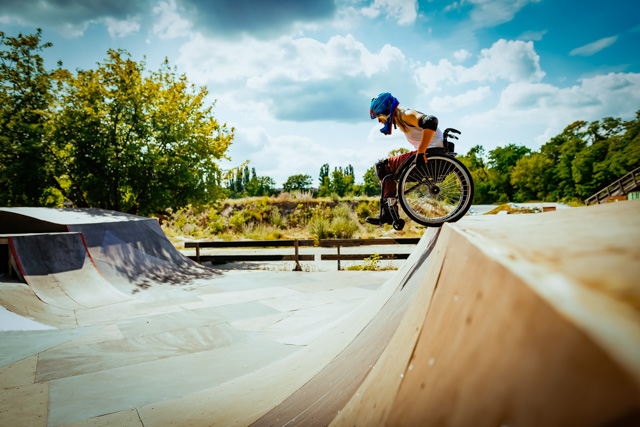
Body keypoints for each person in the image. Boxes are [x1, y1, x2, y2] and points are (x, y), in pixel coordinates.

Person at [365, 92, 444, 226]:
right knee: (388, 172)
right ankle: (389, 209)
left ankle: (388, 213)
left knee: (382, 165)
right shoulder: (402, 121)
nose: (379, 121)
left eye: (379, 116)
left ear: (386, 112)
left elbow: (431, 121)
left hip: (430, 155)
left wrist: (421, 153)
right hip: (430, 154)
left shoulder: (406, 115)